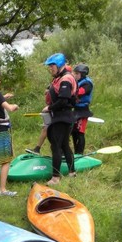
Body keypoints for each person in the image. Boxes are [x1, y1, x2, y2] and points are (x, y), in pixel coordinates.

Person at [42, 54, 77, 186]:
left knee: (56, 146)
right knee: (64, 145)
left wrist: (49, 108)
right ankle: (72, 172)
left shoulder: (66, 79)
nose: (50, 68)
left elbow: (63, 100)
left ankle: (55, 178)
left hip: (62, 117)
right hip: (63, 116)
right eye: (49, 66)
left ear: (59, 64)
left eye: (52, 65)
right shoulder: (60, 78)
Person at [71, 63, 94, 154]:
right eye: (74, 73)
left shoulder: (87, 83)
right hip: (76, 110)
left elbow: (80, 92)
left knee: (80, 132)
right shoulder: (77, 82)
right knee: (73, 132)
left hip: (83, 111)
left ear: (82, 74)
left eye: (77, 74)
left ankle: (79, 153)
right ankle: (76, 152)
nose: (75, 75)